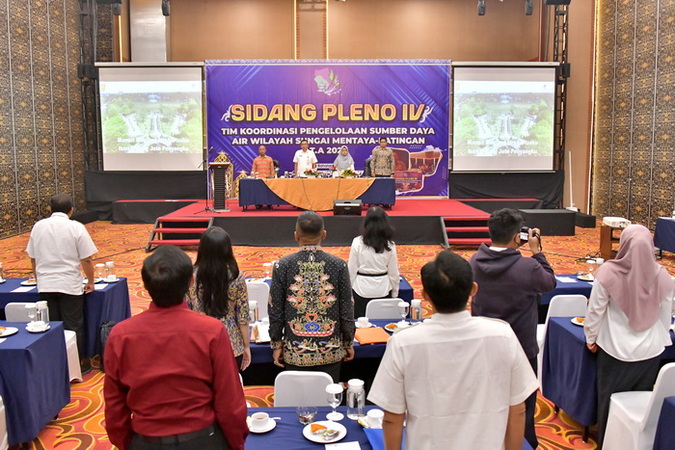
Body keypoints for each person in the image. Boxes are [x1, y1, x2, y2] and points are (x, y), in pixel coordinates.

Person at [368, 250, 539, 450]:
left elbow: (392, 417)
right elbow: (518, 408)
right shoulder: (502, 335)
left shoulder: (404, 342)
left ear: (425, 296)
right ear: (473, 289)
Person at [104, 246, 248, 450]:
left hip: (146, 441)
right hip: (203, 440)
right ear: (191, 282)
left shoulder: (120, 335)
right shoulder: (212, 331)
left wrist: (130, 444)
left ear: (145, 285)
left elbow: (114, 404)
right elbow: (229, 400)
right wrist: (235, 443)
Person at [469, 208, 556, 449]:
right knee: (523, 404)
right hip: (520, 347)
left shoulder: (474, 261)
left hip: (484, 344)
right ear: (519, 237)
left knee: (486, 399)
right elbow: (549, 283)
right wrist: (538, 253)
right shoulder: (528, 268)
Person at [584, 224, 674, 446]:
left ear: (623, 245)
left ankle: (608, 442)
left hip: (615, 350)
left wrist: (591, 338)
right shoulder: (663, 275)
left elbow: (595, 310)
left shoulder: (607, 272)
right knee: (640, 401)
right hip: (650, 352)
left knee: (609, 402)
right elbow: (667, 313)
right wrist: (660, 338)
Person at [269, 211, 355, 381]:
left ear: (296, 236)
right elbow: (347, 307)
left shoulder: (282, 265)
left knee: (297, 402)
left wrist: (276, 343)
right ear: (324, 234)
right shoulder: (339, 265)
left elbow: (275, 309)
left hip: (295, 349)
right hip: (330, 349)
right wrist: (348, 341)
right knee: (328, 400)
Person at [26, 193, 97, 374]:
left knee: (52, 325)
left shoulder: (38, 226)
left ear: (50, 209)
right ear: (71, 210)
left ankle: (55, 364)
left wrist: (39, 279)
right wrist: (90, 281)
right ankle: (79, 364)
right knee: (73, 326)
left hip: (46, 284)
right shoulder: (76, 227)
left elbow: (33, 258)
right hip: (69, 284)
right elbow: (86, 259)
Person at [187, 227, 251, 372]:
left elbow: (187, 309)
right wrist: (246, 346)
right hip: (231, 344)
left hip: (199, 342)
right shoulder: (236, 276)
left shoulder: (191, 275)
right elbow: (243, 316)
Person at [348, 206, 399, 318]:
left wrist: (349, 294)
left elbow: (351, 270)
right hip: (383, 290)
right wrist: (395, 293)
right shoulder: (390, 245)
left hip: (361, 290)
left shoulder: (357, 242)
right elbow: (393, 273)